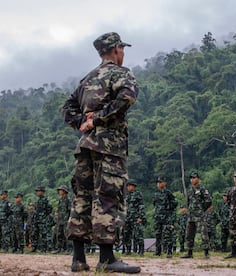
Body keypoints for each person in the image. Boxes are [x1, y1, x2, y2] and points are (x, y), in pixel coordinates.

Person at [61, 32, 140, 273]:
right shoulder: (120, 73)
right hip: (109, 147)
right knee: (108, 196)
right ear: (116, 49)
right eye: (122, 49)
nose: (123, 53)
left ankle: (78, 259)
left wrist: (82, 123)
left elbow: (66, 108)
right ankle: (107, 258)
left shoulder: (88, 79)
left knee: (83, 196)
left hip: (85, 147)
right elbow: (128, 97)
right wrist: (96, 119)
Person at [181, 172, 212, 259]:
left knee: (203, 233)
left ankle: (206, 253)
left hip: (199, 215)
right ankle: (189, 252)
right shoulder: (189, 190)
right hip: (191, 215)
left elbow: (208, 201)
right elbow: (187, 202)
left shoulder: (202, 189)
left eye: (194, 178)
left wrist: (202, 209)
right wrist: (185, 209)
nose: (192, 179)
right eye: (191, 178)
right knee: (189, 234)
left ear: (198, 179)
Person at [153, 176, 177, 258]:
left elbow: (175, 203)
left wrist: (168, 209)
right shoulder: (156, 194)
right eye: (158, 182)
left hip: (166, 217)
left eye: (160, 182)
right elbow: (155, 204)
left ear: (164, 183)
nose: (159, 184)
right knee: (158, 234)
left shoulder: (168, 193)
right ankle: (158, 251)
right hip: (158, 217)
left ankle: (169, 251)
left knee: (167, 234)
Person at [123, 179, 146, 256]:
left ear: (134, 186)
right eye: (128, 186)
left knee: (138, 234)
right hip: (127, 218)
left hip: (136, 217)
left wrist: (141, 217)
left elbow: (141, 206)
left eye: (130, 186)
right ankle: (128, 249)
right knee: (126, 234)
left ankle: (141, 250)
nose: (128, 187)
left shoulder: (138, 194)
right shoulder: (126, 195)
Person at [31, 186, 53, 253]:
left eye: (39, 191)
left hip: (43, 220)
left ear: (42, 192)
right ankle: (34, 247)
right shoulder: (37, 200)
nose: (38, 192)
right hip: (36, 220)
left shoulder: (46, 200)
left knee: (43, 234)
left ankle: (44, 249)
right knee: (35, 233)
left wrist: (44, 216)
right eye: (37, 191)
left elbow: (49, 209)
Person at [54, 185, 71, 254]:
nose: (59, 191)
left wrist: (69, 219)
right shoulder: (60, 200)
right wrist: (57, 213)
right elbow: (58, 209)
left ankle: (69, 249)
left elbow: (70, 210)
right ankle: (59, 248)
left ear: (64, 191)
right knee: (59, 234)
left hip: (65, 220)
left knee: (66, 234)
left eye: (60, 190)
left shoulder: (68, 200)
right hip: (60, 220)